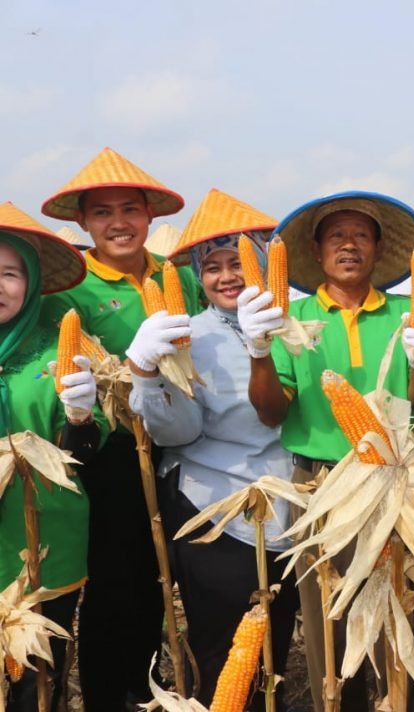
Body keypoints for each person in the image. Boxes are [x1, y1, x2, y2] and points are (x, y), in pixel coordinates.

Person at [240, 190, 414, 712]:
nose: (349, 245)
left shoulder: (408, 315)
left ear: (376, 247)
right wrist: (259, 350)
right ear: (318, 249)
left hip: (400, 481)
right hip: (318, 484)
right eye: (337, 236)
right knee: (330, 620)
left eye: (361, 235)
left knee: (405, 617)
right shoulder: (288, 318)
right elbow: (270, 411)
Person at [39, 147, 201, 710]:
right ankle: (108, 695)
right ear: (82, 222)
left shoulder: (179, 277)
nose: (118, 223)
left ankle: (147, 687)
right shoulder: (71, 289)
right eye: (102, 213)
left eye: (129, 209)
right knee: (115, 583)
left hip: (177, 447)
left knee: (159, 585)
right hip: (110, 456)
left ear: (150, 216)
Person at [126, 189, 300, 708]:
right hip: (215, 508)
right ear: (198, 278)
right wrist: (146, 374)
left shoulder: (296, 325)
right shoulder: (187, 335)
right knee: (222, 646)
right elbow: (176, 434)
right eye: (214, 267)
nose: (228, 276)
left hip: (291, 509)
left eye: (240, 262)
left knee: (277, 644)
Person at [0, 203, 105, 710]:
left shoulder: (60, 349)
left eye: (9, 273)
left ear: (33, 280)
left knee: (36, 679)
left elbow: (84, 450)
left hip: (45, 537)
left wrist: (81, 418)